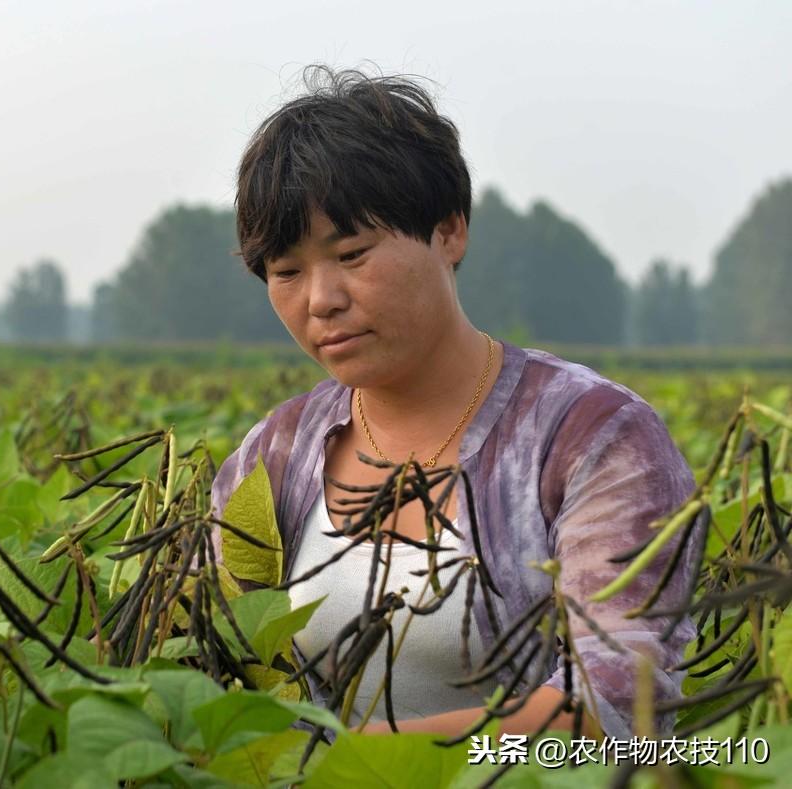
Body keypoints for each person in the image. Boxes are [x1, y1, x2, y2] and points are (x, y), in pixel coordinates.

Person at [209, 65, 701, 740]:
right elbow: (219, 675)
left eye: (352, 253)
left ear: (450, 232)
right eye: (287, 271)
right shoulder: (275, 455)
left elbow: (616, 704)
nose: (321, 299)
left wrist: (351, 767)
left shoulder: (591, 436)